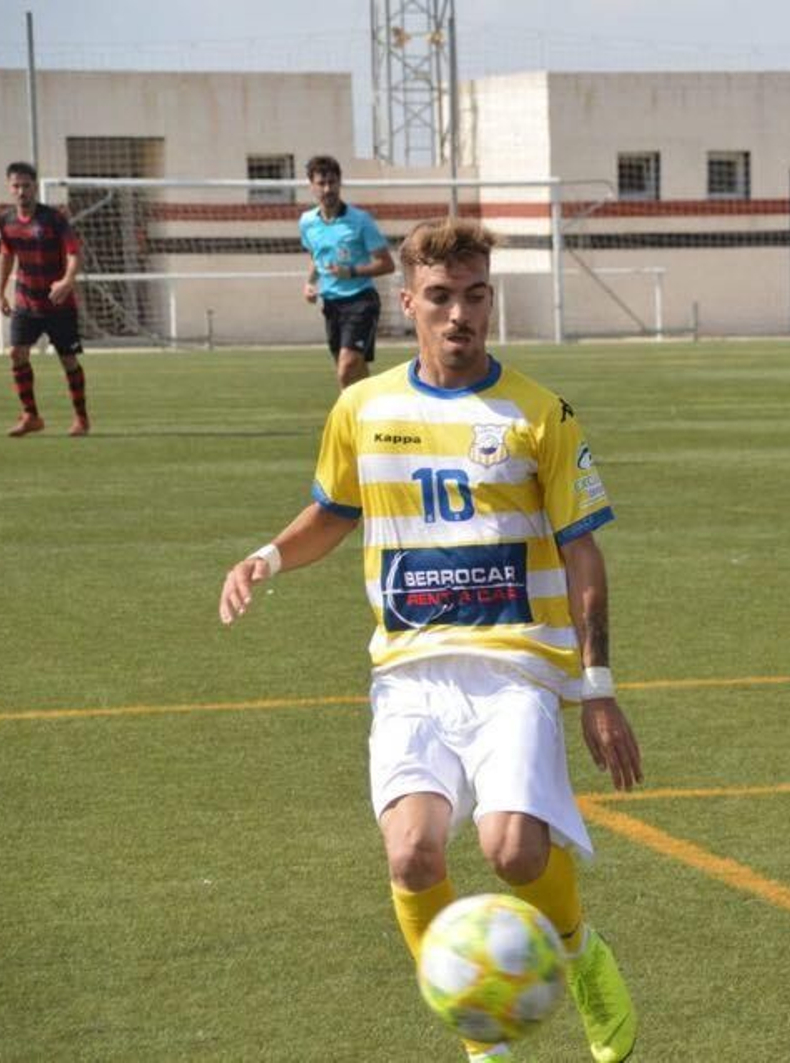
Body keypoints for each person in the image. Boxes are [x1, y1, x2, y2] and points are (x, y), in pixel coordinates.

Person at [220, 218, 641, 1063]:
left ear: (491, 300)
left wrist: (596, 689)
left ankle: (579, 952)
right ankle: (482, 1041)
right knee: (412, 853)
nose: (460, 315)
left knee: (514, 850)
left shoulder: (538, 413)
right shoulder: (363, 408)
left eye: (475, 295)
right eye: (441, 297)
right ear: (406, 302)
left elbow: (582, 550)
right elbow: (332, 515)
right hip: (408, 674)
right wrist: (268, 554)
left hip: (514, 667)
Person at [0, 161, 90, 437]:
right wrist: (0, 292)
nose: (21, 191)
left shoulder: (54, 219)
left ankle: (81, 419)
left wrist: (67, 281)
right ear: (9, 187)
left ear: (35, 187)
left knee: (68, 359)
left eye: (26, 185)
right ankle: (31, 416)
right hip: (26, 301)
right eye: (16, 186)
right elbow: (6, 255)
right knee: (16, 353)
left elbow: (74, 254)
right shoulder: (6, 221)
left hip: (59, 303)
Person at [299, 154, 396, 389]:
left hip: (361, 301)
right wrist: (310, 284)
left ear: (340, 183)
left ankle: (350, 421)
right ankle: (371, 410)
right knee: (355, 371)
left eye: (332, 182)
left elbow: (387, 264)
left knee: (346, 369)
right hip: (331, 304)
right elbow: (315, 256)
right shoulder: (307, 222)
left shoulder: (360, 220)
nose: (328, 189)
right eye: (321, 183)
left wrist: (350, 272)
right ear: (311, 185)